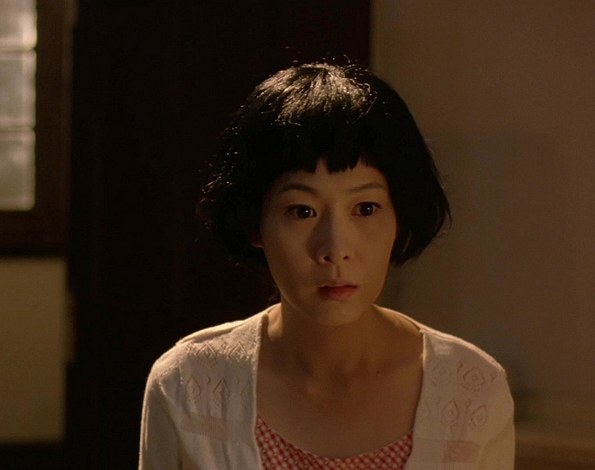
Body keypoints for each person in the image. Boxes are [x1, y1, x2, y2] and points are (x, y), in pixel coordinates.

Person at [138, 62, 514, 469]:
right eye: (302, 211)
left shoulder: (471, 389)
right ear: (254, 223)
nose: (335, 249)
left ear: (400, 218)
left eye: (365, 208)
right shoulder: (188, 385)